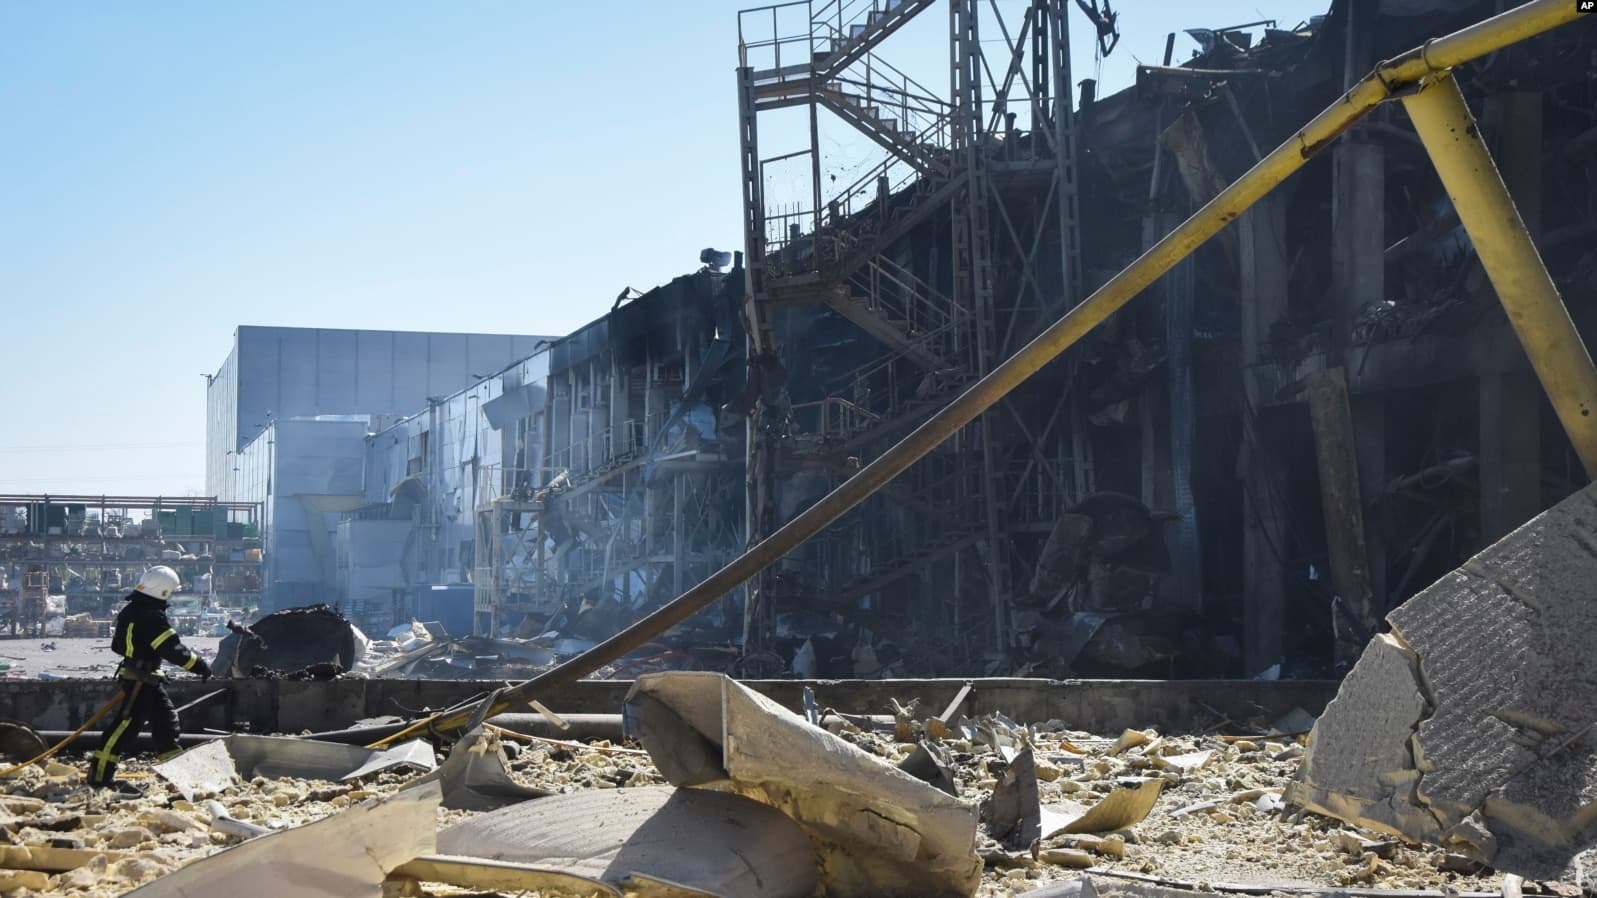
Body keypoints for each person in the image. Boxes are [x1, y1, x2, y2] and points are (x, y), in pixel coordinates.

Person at [88, 565, 211, 792]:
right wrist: (200, 666)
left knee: (166, 724)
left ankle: (178, 776)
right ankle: (100, 779)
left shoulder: (130, 610)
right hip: (141, 683)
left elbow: (117, 646)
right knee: (124, 729)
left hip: (145, 679)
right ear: (163, 591)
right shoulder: (152, 617)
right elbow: (173, 650)